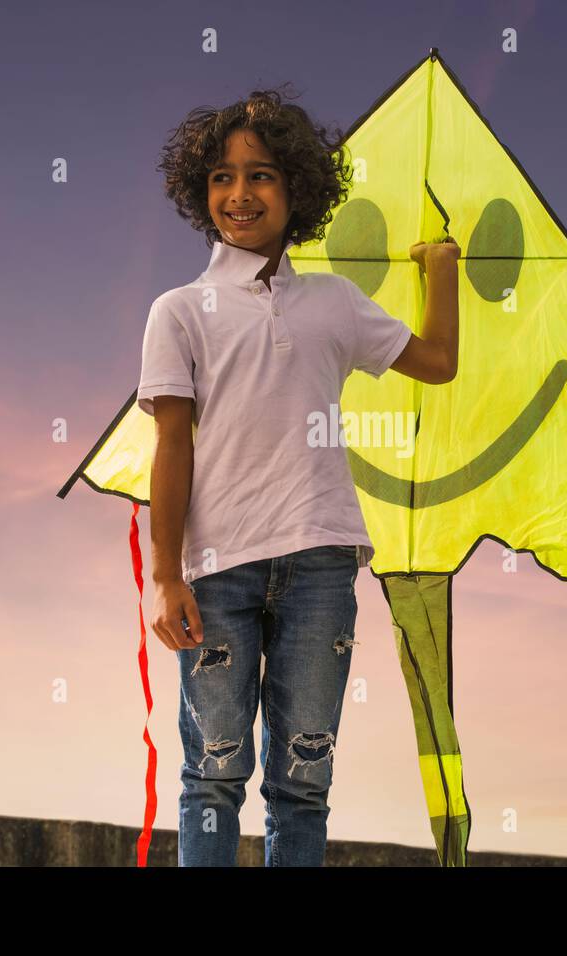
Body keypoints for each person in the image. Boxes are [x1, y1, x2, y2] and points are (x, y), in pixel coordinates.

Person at [137, 84, 460, 866]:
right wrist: (165, 574)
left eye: (261, 175)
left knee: (303, 782)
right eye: (220, 177)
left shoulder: (336, 303)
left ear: (298, 190)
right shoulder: (177, 310)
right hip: (214, 573)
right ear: (199, 192)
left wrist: (442, 269)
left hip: (321, 562)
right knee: (212, 774)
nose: (239, 194)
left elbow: (437, 363)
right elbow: (172, 448)